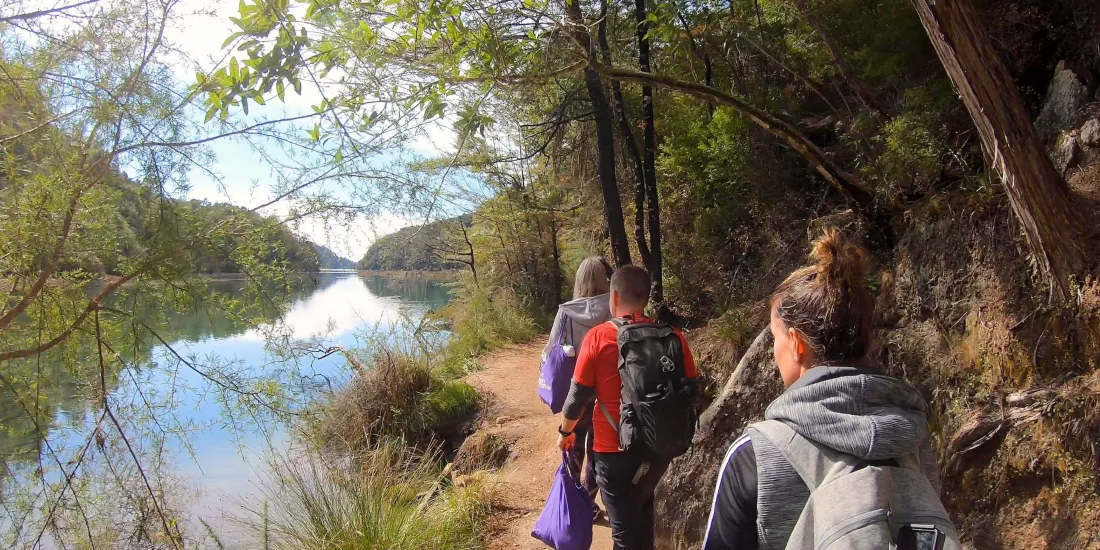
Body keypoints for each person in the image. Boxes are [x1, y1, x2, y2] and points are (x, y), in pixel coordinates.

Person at [701, 230, 946, 549]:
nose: (774, 352)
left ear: (796, 344)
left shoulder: (756, 454)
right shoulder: (913, 436)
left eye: (776, 338)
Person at [557, 265, 699, 550]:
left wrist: (566, 432)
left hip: (613, 451)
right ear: (646, 297)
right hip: (660, 445)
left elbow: (577, 396)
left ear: (614, 297)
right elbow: (692, 391)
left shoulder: (598, 337)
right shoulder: (673, 336)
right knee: (644, 517)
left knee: (623, 532)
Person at [541, 256, 614, 510]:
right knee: (597, 449)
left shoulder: (566, 312)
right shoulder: (615, 308)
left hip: (577, 391)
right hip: (607, 394)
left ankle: (572, 500)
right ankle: (589, 502)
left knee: (573, 441)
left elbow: (551, 349)